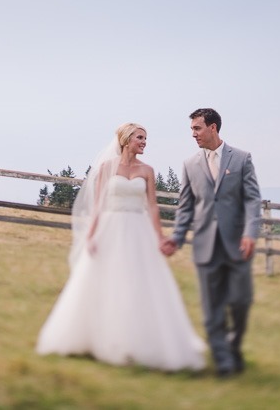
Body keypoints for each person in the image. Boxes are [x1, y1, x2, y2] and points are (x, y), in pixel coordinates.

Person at [36, 122, 206, 371]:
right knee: (103, 279)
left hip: (138, 231)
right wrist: (91, 236)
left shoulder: (147, 170)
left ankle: (137, 339)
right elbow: (98, 206)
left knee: (138, 282)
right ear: (126, 139)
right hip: (110, 228)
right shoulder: (106, 167)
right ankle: (93, 336)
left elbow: (152, 206)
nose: (144, 142)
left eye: (145, 138)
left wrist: (159, 237)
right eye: (140, 137)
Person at [161, 108, 262, 377]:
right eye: (192, 129)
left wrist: (250, 233)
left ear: (213, 128)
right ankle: (224, 362)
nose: (193, 134)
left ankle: (234, 346)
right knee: (212, 308)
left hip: (238, 244)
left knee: (241, 301)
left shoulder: (241, 159)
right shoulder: (190, 164)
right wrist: (177, 238)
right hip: (205, 246)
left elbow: (252, 200)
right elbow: (186, 208)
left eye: (197, 128)